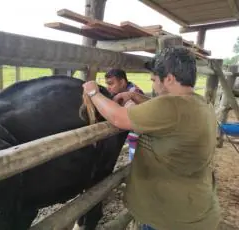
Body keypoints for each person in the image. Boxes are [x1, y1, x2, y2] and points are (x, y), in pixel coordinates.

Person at [82, 47, 220, 230]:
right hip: (194, 207)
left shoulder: (171, 106)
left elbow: (118, 117)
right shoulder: (200, 103)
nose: (153, 85)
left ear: (169, 78)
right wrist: (134, 96)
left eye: (154, 80)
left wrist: (93, 92)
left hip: (168, 217)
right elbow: (164, 113)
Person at [104, 68, 145, 161]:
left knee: (135, 160)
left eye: (111, 83)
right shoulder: (127, 91)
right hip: (136, 137)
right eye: (107, 84)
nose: (108, 87)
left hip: (139, 139)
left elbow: (128, 117)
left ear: (122, 82)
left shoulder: (133, 94)